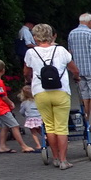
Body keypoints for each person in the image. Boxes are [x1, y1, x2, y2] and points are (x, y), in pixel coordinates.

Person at [25, 23, 80, 169]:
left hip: (41, 93)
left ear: (35, 37)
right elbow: (74, 69)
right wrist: (77, 77)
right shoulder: (61, 50)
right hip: (61, 92)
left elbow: (26, 72)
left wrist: (29, 79)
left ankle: (55, 158)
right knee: (62, 128)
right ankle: (63, 161)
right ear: (50, 35)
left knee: (49, 127)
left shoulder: (31, 53)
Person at [0, 58, 35, 154]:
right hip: (2, 108)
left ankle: (2, 146)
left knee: (5, 127)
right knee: (15, 126)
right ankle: (23, 146)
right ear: (3, 70)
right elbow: (3, 96)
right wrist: (11, 103)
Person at [18, 84, 43, 150]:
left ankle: (38, 145)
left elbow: (21, 112)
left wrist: (25, 115)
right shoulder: (37, 101)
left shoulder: (24, 103)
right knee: (40, 130)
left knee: (33, 132)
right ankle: (46, 138)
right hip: (39, 118)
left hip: (30, 119)